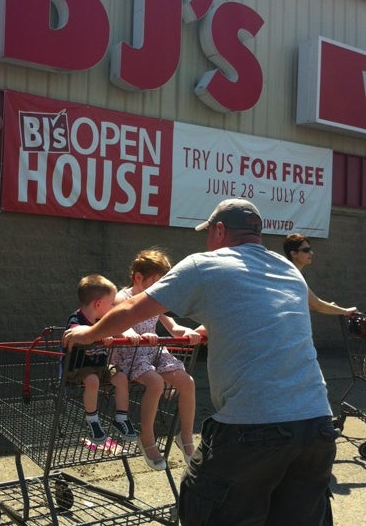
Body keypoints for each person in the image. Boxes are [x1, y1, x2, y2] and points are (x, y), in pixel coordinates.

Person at [64, 199, 337, 526]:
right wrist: (211, 329)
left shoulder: (204, 264)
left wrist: (88, 333)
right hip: (317, 423)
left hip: (253, 425)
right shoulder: (286, 268)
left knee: (204, 507)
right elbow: (270, 318)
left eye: (208, 232)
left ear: (219, 230)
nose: (207, 240)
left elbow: (133, 310)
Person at [111, 248, 200, 470]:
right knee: (156, 383)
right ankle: (147, 437)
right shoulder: (122, 298)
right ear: (138, 278)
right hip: (130, 353)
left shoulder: (154, 299)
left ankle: (185, 436)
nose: (161, 287)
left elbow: (172, 326)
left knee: (187, 382)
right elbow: (117, 321)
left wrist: (186, 331)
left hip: (152, 350)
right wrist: (130, 333)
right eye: (157, 282)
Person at [65, 274, 137, 444]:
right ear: (98, 304)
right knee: (92, 381)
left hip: (100, 366)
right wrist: (97, 334)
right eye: (111, 303)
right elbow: (75, 331)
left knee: (121, 377)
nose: (113, 307)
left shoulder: (104, 321)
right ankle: (92, 421)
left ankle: (121, 418)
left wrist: (130, 334)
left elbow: (120, 328)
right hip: (78, 367)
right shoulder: (76, 319)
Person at [283, 233, 357, 316]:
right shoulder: (292, 276)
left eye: (310, 249)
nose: (311, 253)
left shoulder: (289, 272)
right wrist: (346, 311)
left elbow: (310, 303)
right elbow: (317, 305)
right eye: (306, 250)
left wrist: (332, 307)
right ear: (293, 254)